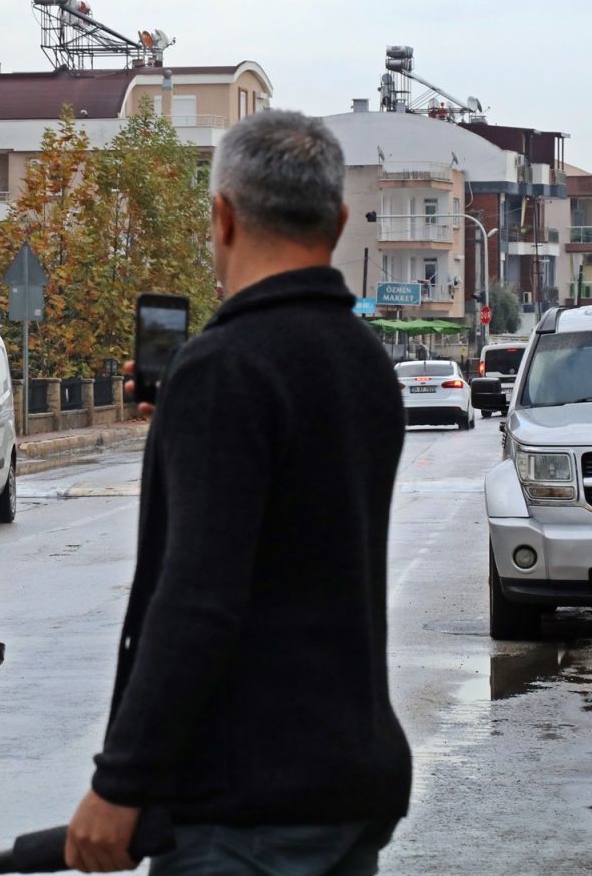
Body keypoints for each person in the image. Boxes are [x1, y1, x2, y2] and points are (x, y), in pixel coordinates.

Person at [65, 110, 412, 875]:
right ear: (339, 222)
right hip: (349, 782)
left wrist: (121, 783)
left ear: (222, 217)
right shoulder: (364, 361)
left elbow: (199, 599)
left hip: (247, 804)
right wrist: (187, 423)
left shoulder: (225, 369)